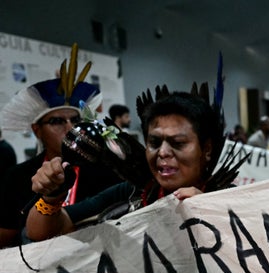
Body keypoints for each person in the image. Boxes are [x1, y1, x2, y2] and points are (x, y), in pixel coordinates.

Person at [25, 87, 233, 242]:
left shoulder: (233, 200)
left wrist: (211, 212)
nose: (162, 152)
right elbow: (40, 233)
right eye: (154, 142)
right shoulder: (130, 193)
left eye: (177, 143)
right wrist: (51, 198)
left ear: (206, 150)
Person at [0, 44, 121, 248]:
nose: (70, 128)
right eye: (57, 122)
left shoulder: (107, 168)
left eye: (75, 120)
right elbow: (5, 238)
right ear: (37, 130)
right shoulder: (18, 177)